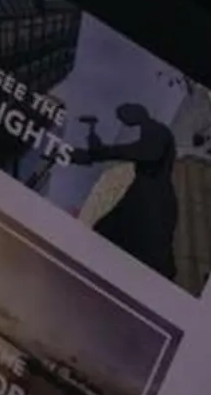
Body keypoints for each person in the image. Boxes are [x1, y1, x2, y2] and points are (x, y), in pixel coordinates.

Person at [78, 99, 182, 283]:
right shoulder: (150, 131)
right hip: (142, 196)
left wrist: (105, 151)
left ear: (136, 112)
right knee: (107, 234)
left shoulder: (157, 131)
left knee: (151, 258)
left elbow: (147, 152)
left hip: (153, 200)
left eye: (124, 115)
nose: (123, 120)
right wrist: (97, 151)